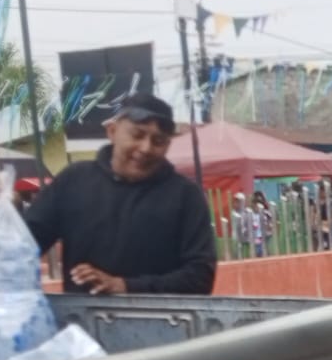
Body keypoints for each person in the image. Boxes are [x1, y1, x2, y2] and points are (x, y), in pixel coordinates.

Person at [22, 92, 216, 294]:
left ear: (167, 146)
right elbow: (23, 245)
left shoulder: (186, 196)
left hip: (162, 314)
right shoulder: (73, 181)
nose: (146, 148)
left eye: (158, 141)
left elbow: (200, 277)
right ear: (112, 131)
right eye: (137, 135)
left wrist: (125, 286)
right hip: (82, 313)